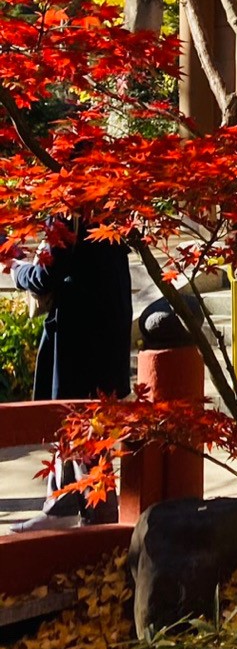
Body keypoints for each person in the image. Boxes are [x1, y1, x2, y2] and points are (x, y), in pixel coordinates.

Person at [11, 214, 133, 523]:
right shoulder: (113, 205)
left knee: (78, 427)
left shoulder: (72, 207)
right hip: (109, 330)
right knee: (88, 427)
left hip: (77, 337)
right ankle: (62, 504)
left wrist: (17, 270)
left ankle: (93, 519)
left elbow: (47, 274)